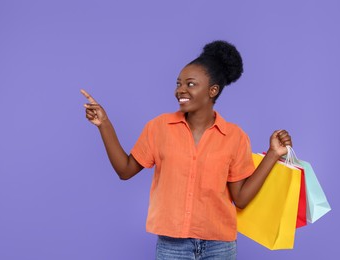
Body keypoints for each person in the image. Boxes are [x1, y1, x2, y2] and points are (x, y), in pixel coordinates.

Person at [81, 40, 292, 260]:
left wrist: (273, 154)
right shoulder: (159, 127)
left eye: (190, 84)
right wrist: (104, 124)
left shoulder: (235, 137)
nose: (180, 90)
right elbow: (125, 170)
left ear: (212, 90)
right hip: (172, 246)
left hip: (220, 246)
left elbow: (240, 198)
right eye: (178, 83)